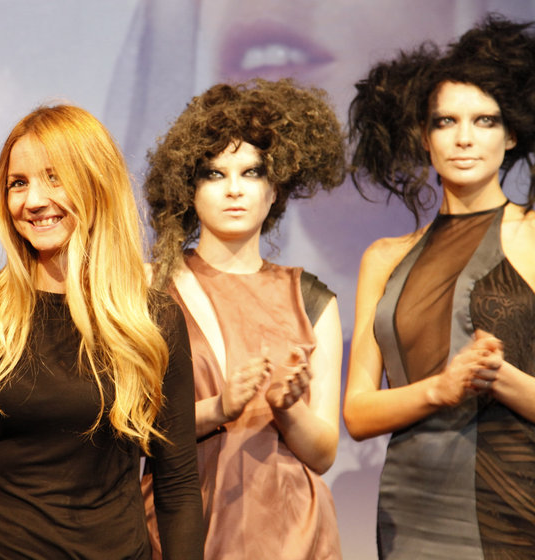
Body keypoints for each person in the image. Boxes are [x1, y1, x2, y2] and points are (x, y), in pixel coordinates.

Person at [0, 105, 203, 559]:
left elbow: (177, 487)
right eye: (18, 183)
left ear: (96, 184)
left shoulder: (152, 321)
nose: (34, 200)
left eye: (54, 178)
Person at [345, 15, 535, 559]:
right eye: (446, 122)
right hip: (410, 512)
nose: (464, 138)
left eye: (485, 120)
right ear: (425, 139)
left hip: (514, 507)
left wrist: (498, 377)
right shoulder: (384, 257)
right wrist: (440, 388)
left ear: (512, 133)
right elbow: (357, 413)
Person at [142, 79, 345, 559]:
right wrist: (219, 408)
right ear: (188, 189)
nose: (234, 189)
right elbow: (128, 429)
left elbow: (323, 453)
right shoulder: (150, 286)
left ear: (275, 190)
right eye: (214, 174)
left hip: (293, 535)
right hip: (182, 527)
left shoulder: (311, 299)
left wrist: (287, 408)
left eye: (251, 173)